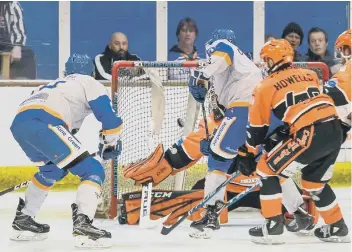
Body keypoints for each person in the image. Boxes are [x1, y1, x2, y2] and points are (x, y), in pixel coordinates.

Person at [232, 39, 349, 244]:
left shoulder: (264, 85)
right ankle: (337, 226)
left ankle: (273, 227)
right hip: (335, 130)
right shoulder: (310, 74)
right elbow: (306, 104)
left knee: (266, 169)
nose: (265, 65)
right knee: (313, 182)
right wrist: (287, 129)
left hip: (309, 131)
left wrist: (248, 151)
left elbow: (257, 128)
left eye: (266, 60)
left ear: (273, 60)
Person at [9, 54, 123, 248]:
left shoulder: (54, 85)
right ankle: (83, 226)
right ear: (92, 72)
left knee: (51, 171)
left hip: (20, 124)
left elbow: (66, 134)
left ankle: (24, 222)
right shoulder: (89, 82)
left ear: (65, 72)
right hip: (45, 122)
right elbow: (110, 120)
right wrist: (110, 144)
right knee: (93, 170)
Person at [0, 1, 36, 79]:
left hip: (5, 45)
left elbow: (18, 29)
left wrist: (17, 46)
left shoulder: (13, 4)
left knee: (27, 54)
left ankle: (21, 86)